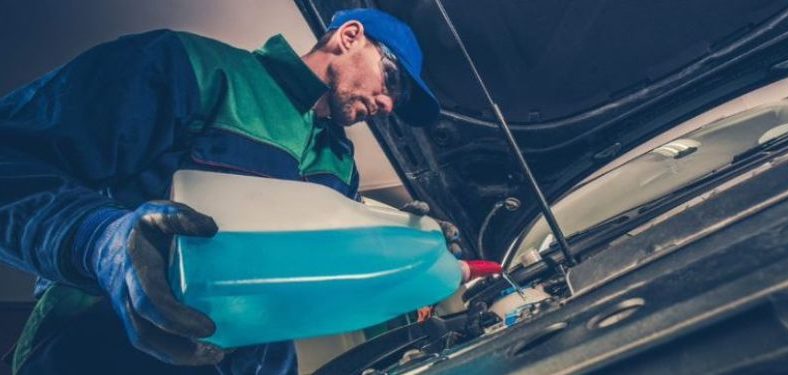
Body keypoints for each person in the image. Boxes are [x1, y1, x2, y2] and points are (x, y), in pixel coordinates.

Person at [0, 8, 455, 374]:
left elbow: (321, 275)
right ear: (349, 36)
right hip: (101, 345)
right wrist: (100, 241)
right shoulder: (188, 66)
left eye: (399, 103)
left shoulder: (341, 164)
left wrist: (402, 242)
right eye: (391, 79)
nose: (388, 104)